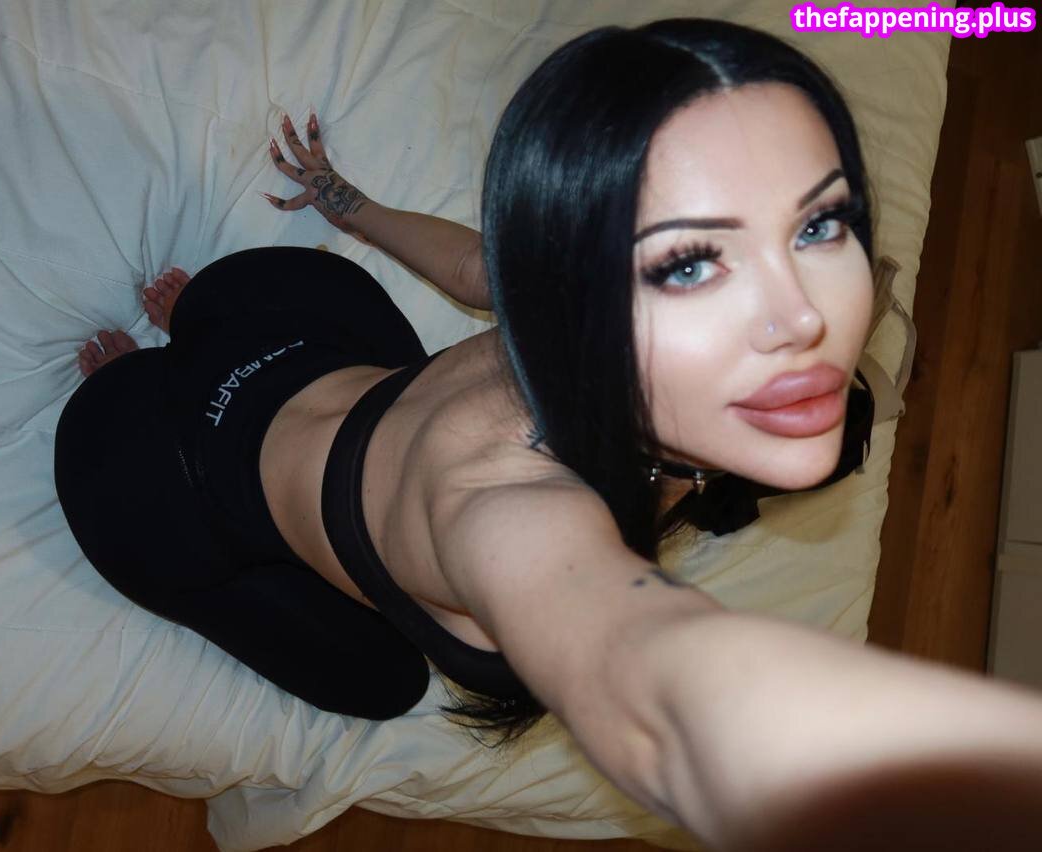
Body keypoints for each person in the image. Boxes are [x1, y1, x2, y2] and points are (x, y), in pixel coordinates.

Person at [55, 19, 1042, 850]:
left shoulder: (571, 308)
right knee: (380, 681)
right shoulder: (521, 515)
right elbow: (655, 680)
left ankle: (187, 346)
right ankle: (152, 382)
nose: (803, 324)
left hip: (279, 323)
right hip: (151, 468)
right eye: (693, 264)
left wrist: (339, 201)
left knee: (381, 634)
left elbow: (475, 271)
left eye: (818, 227)